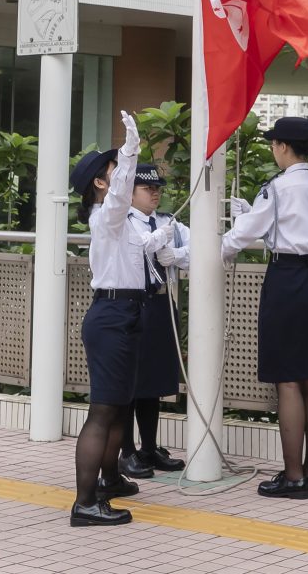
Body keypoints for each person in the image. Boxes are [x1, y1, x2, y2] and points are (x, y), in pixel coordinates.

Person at [67, 113, 177, 527]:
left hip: (125, 312)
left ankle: (110, 480)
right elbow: (119, 198)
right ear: (101, 183)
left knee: (117, 408)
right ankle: (84, 502)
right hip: (112, 315)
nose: (123, 176)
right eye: (115, 170)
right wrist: (130, 149)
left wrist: (160, 238)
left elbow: (140, 247)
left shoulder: (118, 221)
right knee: (103, 411)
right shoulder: (108, 214)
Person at [221, 115, 308, 500]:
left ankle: (292, 477)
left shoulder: (277, 187)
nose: (273, 150)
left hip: (286, 280)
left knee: (287, 378)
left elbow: (244, 234)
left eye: (274, 144)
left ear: (283, 146)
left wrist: (209, 251)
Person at [117, 162, 190, 479]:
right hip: (134, 303)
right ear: (131, 192)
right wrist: (158, 240)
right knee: (130, 381)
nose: (155, 193)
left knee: (154, 380)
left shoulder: (167, 221)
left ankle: (149, 447)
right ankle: (126, 451)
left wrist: (178, 254)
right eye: (147, 188)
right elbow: (132, 251)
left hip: (161, 303)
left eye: (157, 188)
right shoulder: (122, 222)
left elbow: (199, 247)